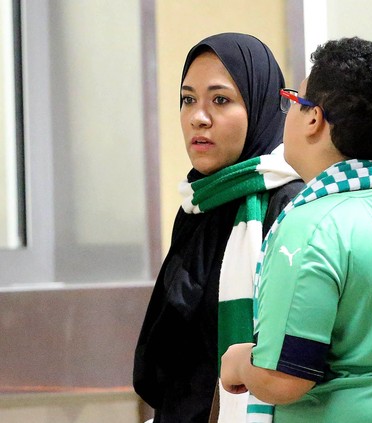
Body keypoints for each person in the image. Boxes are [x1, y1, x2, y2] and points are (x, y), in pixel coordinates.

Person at [221, 37, 372, 422]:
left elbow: (285, 378)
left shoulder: (309, 226)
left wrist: (241, 363)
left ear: (314, 118)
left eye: (294, 100)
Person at [133, 32, 303, 423]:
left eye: (220, 100)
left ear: (261, 106)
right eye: (188, 99)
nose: (198, 116)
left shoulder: (287, 207)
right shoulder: (197, 207)